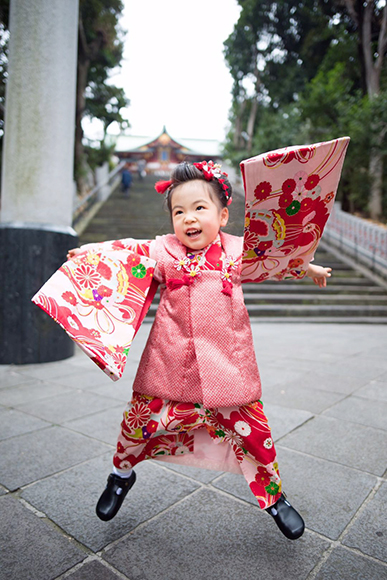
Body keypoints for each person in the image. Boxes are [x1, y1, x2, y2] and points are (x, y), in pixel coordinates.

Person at [67, 161, 331, 540]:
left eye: (199, 208)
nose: (189, 218)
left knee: (255, 434)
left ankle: (274, 498)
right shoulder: (163, 250)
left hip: (228, 366)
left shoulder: (238, 252)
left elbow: (277, 257)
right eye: (179, 211)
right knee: (137, 426)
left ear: (223, 215)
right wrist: (92, 252)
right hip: (169, 364)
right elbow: (128, 250)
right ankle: (120, 476)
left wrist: (310, 267)